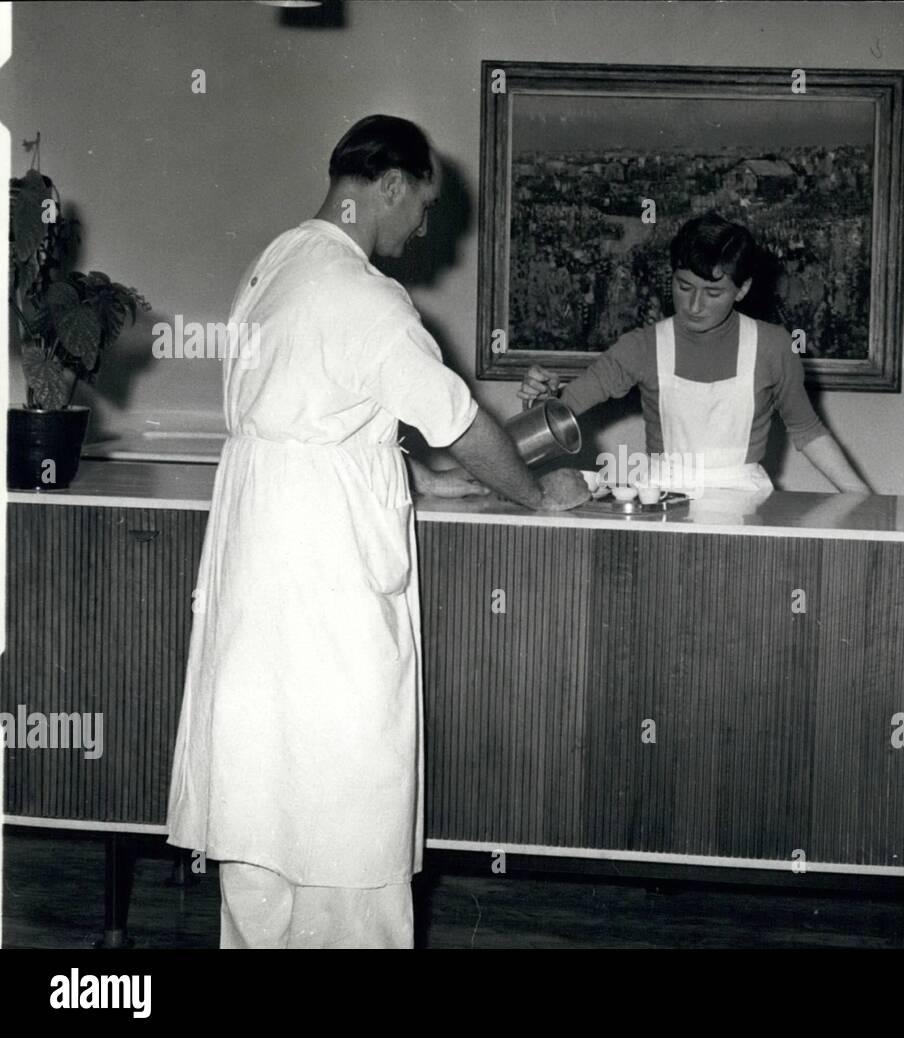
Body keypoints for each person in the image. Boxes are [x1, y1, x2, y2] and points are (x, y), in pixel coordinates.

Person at [165, 115, 588, 949]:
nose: (424, 227)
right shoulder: (364, 294)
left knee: (261, 816)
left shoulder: (277, 263)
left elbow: (327, 418)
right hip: (326, 581)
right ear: (389, 185)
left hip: (258, 559)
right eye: (423, 205)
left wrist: (423, 481)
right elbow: (459, 422)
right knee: (347, 817)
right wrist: (535, 497)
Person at [519, 214, 871, 494]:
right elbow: (561, 414)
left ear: (742, 289)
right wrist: (540, 402)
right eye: (684, 286)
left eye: (713, 293)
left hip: (744, 505)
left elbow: (808, 431)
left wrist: (864, 503)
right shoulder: (641, 347)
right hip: (662, 504)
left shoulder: (773, 347)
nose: (695, 305)